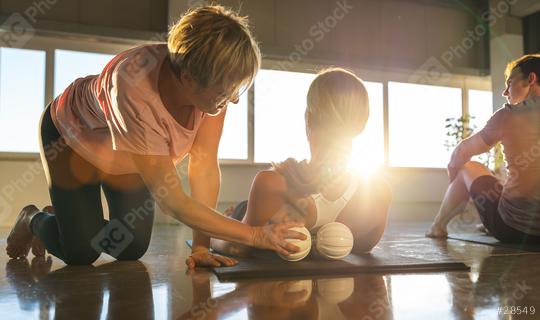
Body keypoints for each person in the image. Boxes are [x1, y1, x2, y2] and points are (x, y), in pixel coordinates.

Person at [6, 5, 305, 267]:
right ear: (188, 79)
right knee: (81, 252)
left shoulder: (210, 90)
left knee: (131, 247)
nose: (233, 100)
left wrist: (202, 246)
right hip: (70, 139)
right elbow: (172, 201)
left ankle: (71, 221)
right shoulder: (134, 89)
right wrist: (255, 235)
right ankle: (33, 219)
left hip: (127, 154)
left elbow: (203, 169)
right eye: (225, 92)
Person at [210, 68, 392, 258]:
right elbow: (364, 246)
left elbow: (237, 247)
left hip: (256, 207)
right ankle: (232, 215)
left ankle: (229, 216)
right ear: (361, 124)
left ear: (309, 118)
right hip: (248, 210)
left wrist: (212, 233)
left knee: (238, 213)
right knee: (240, 211)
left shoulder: (271, 185)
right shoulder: (378, 192)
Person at [426, 54, 540, 243]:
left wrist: (454, 174)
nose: (505, 92)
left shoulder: (508, 115)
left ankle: (437, 226)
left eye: (510, 82)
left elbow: (462, 152)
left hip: (514, 229)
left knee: (467, 166)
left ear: (531, 79)